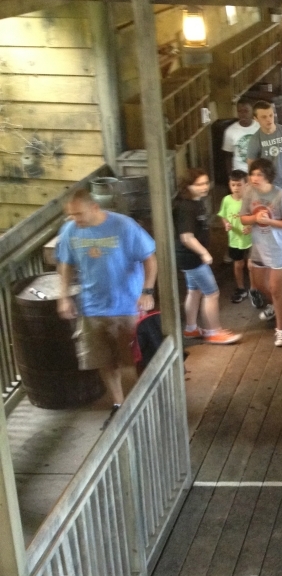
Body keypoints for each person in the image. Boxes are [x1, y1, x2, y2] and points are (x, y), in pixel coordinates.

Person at [56, 188, 157, 416]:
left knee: (133, 358)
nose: (75, 219)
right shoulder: (70, 230)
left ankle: (141, 402)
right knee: (104, 360)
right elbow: (65, 263)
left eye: (79, 214)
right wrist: (64, 296)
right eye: (71, 215)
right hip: (91, 306)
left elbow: (150, 258)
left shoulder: (124, 226)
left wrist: (147, 291)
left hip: (127, 305)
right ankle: (119, 403)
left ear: (94, 207)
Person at [174, 168, 242, 346]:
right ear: (187, 186)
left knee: (194, 291)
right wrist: (203, 253)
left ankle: (191, 328)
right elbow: (186, 237)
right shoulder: (186, 207)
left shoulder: (196, 201)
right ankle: (213, 331)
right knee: (212, 293)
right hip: (192, 258)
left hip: (190, 258)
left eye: (206, 183)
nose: (204, 187)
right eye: (199, 184)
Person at [239, 158, 282, 348]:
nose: (255, 178)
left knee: (275, 289)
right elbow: (243, 218)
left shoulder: (281, 196)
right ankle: (277, 305)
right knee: (258, 284)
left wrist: (271, 222)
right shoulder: (249, 192)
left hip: (280, 248)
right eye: (252, 174)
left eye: (259, 174)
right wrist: (254, 218)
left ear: (268, 176)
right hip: (258, 246)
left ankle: (280, 330)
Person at [246, 100, 282, 190]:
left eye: (271, 115)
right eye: (264, 117)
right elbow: (251, 168)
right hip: (266, 187)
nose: (269, 119)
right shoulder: (255, 139)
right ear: (256, 119)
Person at [218, 169, 252, 304]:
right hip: (235, 239)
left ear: (246, 185)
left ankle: (255, 288)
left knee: (251, 265)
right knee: (238, 264)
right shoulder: (226, 200)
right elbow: (223, 215)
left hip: (250, 240)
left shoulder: (250, 201)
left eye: (239, 185)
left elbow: (257, 218)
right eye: (233, 185)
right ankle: (241, 288)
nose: (236, 188)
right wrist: (226, 224)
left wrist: (250, 227)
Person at [222, 101, 260, 177]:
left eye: (246, 111)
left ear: (252, 111)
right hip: (240, 173)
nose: (243, 114)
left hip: (259, 171)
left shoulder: (260, 127)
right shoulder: (230, 131)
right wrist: (230, 176)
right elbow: (228, 156)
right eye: (240, 111)